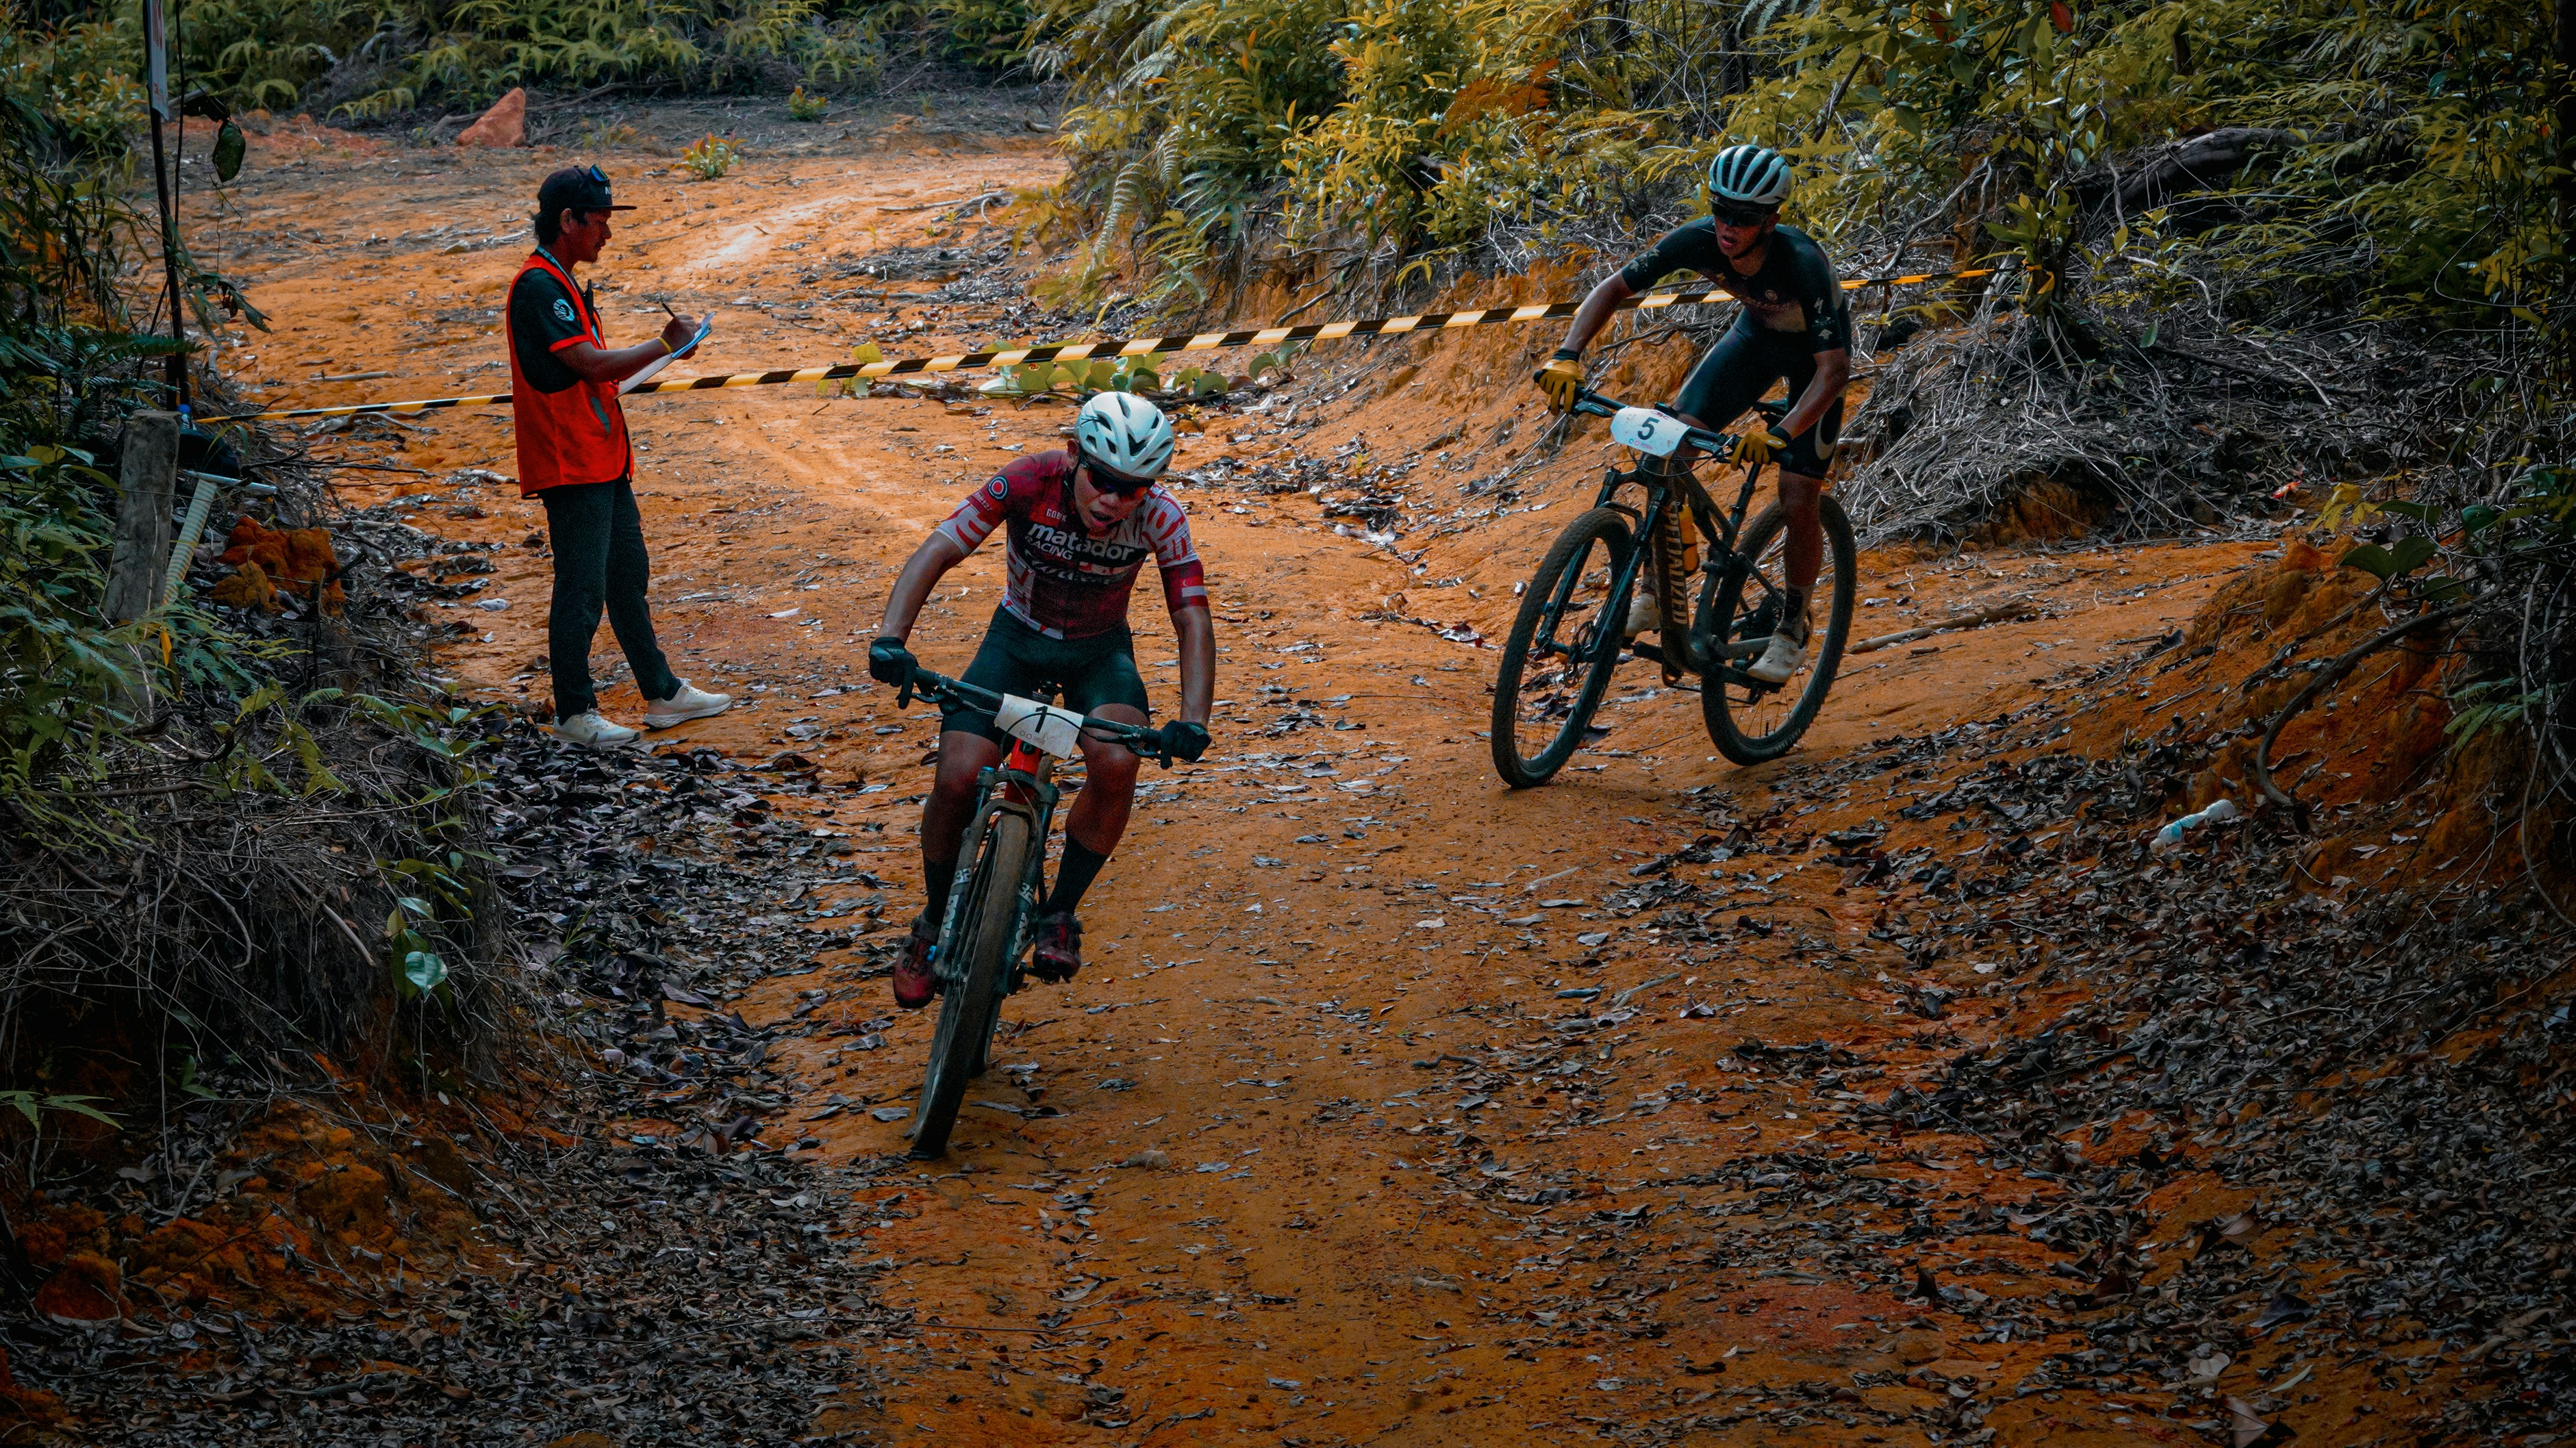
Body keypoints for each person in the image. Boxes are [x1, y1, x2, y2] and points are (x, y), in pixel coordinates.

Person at [866, 392, 1215, 1008]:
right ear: (1075, 456)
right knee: (958, 775)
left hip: (1098, 654)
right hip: (1017, 641)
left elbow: (1191, 615)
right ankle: (933, 921)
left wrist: (1194, 719)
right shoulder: (1029, 479)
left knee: (1117, 762)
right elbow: (941, 548)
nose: (1114, 499)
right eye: (1102, 479)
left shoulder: (1162, 517)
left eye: (1133, 489)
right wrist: (892, 638)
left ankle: (1059, 913)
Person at [1535, 143, 1851, 685]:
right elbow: (1614, 288)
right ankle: (1657, 590)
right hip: (1754, 340)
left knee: (1797, 494)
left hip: (1816, 364)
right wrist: (1567, 355)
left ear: (1771, 220)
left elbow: (1835, 371)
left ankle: (1793, 624)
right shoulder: (1697, 238)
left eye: (1744, 217)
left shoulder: (1803, 261)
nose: (1728, 225)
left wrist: (1781, 432)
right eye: (1721, 209)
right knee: (1668, 446)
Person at [507, 164, 731, 748]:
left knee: (626, 577)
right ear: (568, 221)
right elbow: (589, 365)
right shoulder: (538, 287)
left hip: (601, 457)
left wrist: (664, 355)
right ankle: (575, 710)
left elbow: (600, 378)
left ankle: (662, 692)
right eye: (600, 222)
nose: (607, 234)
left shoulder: (562, 282)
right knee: (581, 588)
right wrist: (661, 343)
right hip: (570, 461)